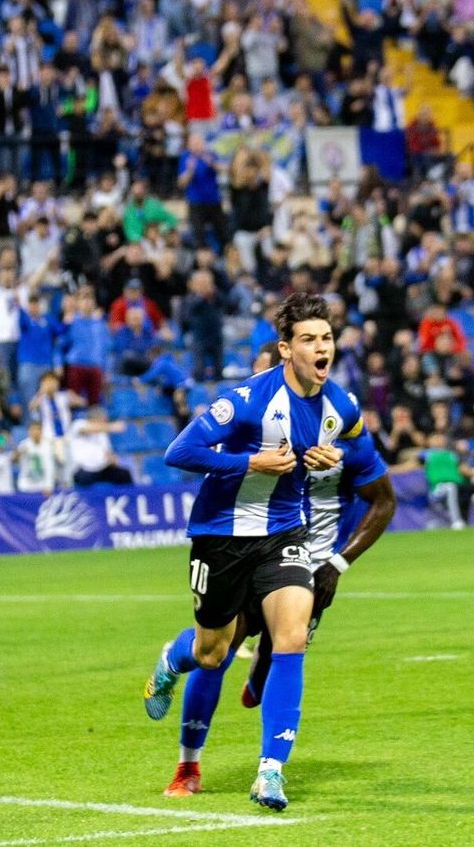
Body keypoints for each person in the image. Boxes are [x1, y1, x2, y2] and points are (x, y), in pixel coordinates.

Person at [143, 293, 363, 812]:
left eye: (326, 338)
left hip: (285, 534)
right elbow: (180, 451)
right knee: (212, 652)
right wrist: (249, 462)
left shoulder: (342, 405)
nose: (320, 347)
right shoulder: (246, 399)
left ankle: (270, 772)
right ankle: (171, 663)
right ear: (286, 349)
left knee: (291, 638)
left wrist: (336, 454)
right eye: (308, 339)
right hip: (221, 538)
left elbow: (354, 440)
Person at [165, 428, 398, 798]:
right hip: (246, 550)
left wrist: (336, 564)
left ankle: (263, 718)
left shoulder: (346, 429)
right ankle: (188, 767)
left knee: (268, 674)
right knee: (215, 656)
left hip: (307, 564)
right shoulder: (253, 419)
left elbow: (384, 500)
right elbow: (195, 458)